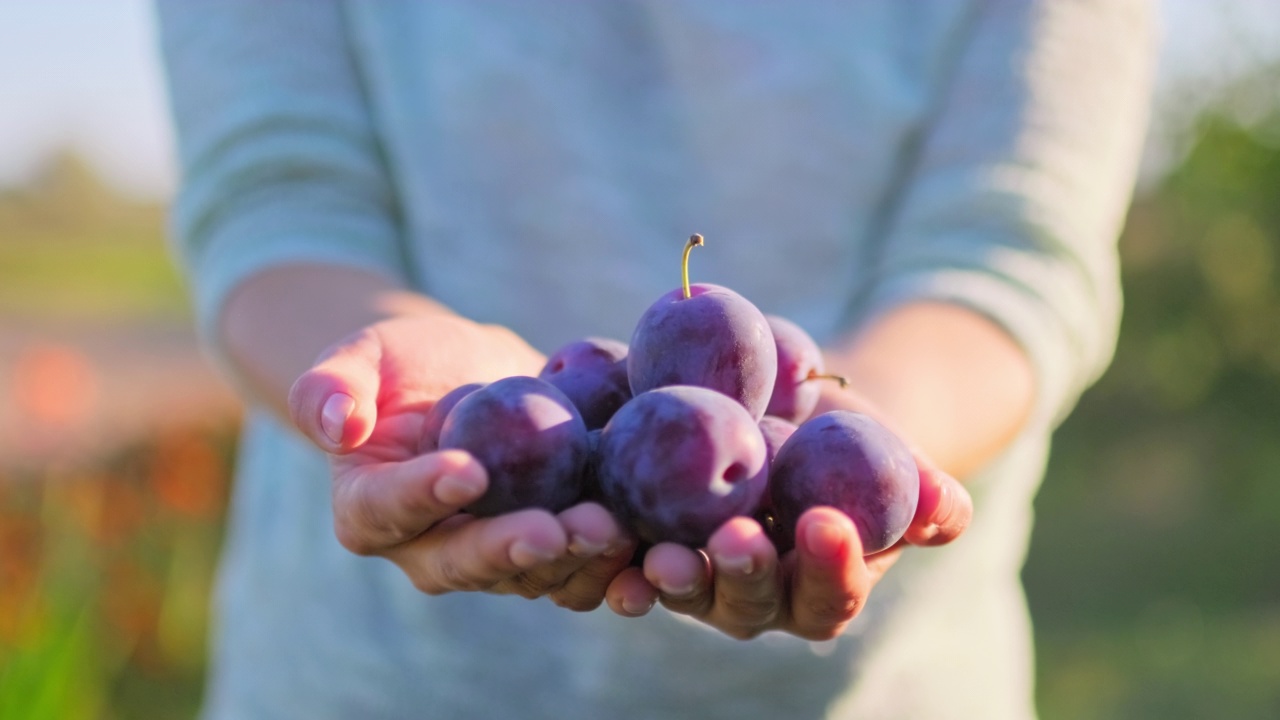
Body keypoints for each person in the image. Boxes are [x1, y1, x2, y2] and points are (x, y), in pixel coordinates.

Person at [156, 1, 1154, 718]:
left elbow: (1006, 254)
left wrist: (869, 435)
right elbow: (278, 202)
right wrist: (368, 389)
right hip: (370, 685)